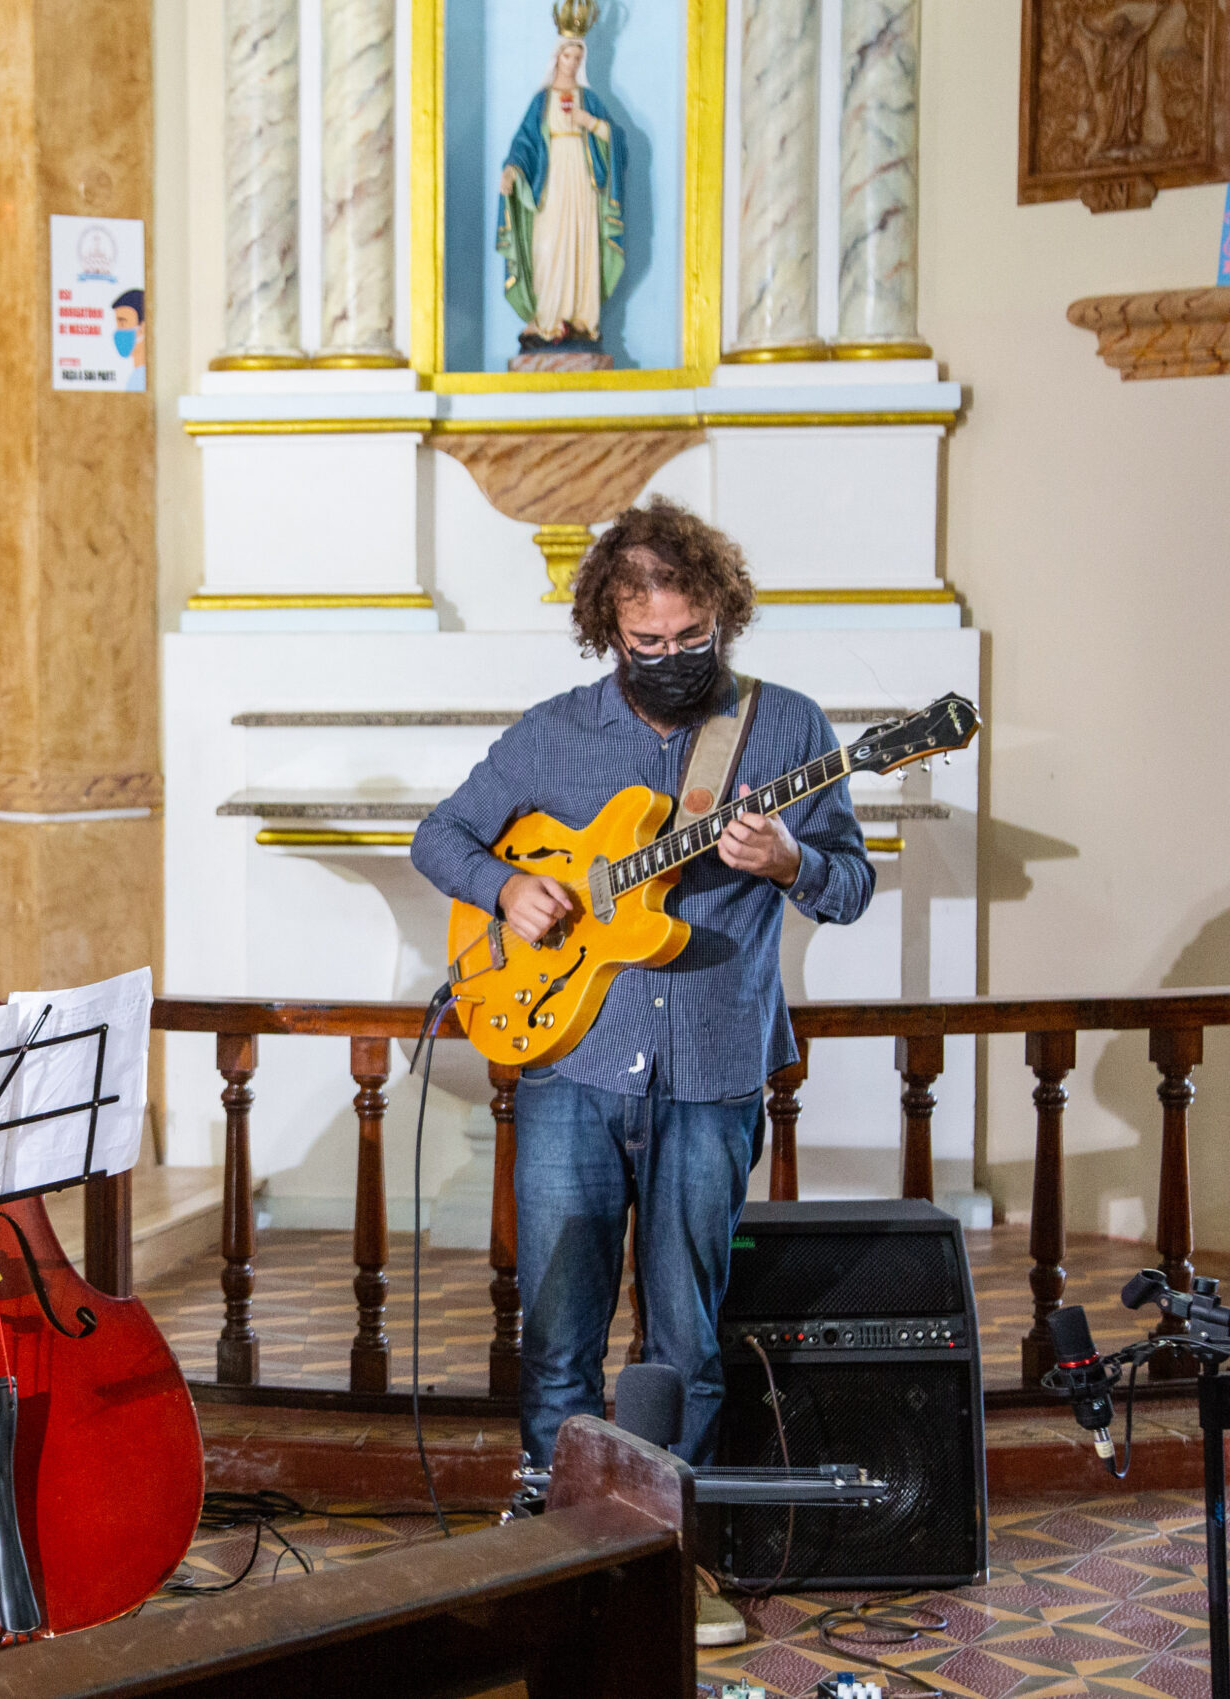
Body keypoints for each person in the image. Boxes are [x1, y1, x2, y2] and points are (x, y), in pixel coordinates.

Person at [410, 500, 869, 1634]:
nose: (668, 662)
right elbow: (441, 838)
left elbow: (850, 885)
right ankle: (550, 1535)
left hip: (713, 1063)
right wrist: (503, 889)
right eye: (645, 645)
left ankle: (674, 1550)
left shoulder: (788, 728)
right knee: (557, 1319)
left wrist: (790, 858)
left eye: (689, 641)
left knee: (685, 1329)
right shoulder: (553, 733)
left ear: (721, 616)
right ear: (608, 628)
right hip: (572, 1065)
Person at [498, 4, 625, 349]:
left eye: (576, 57)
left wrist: (592, 124)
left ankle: (582, 318)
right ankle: (547, 319)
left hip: (582, 182)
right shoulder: (541, 101)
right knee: (548, 245)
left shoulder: (590, 100)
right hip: (551, 181)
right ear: (557, 57)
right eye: (567, 55)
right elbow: (524, 143)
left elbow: (618, 141)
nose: (571, 62)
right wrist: (511, 170)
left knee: (581, 243)